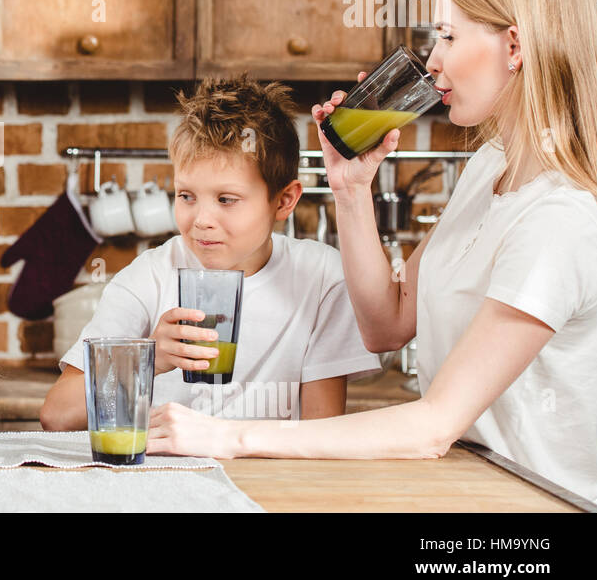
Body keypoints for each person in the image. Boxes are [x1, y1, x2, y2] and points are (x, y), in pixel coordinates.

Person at [149, 0, 597, 503]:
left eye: (448, 36)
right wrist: (351, 187)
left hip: (538, 504)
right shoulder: (490, 169)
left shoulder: (559, 219)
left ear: (514, 47)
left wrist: (229, 436)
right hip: (470, 491)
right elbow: (386, 324)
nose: (433, 61)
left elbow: (434, 425)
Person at [39, 77, 379, 429]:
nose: (201, 221)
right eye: (186, 196)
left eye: (225, 200)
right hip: (167, 478)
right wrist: (148, 359)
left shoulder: (321, 277)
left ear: (284, 200)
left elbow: (319, 432)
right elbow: (57, 415)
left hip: (266, 482)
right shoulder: (148, 277)